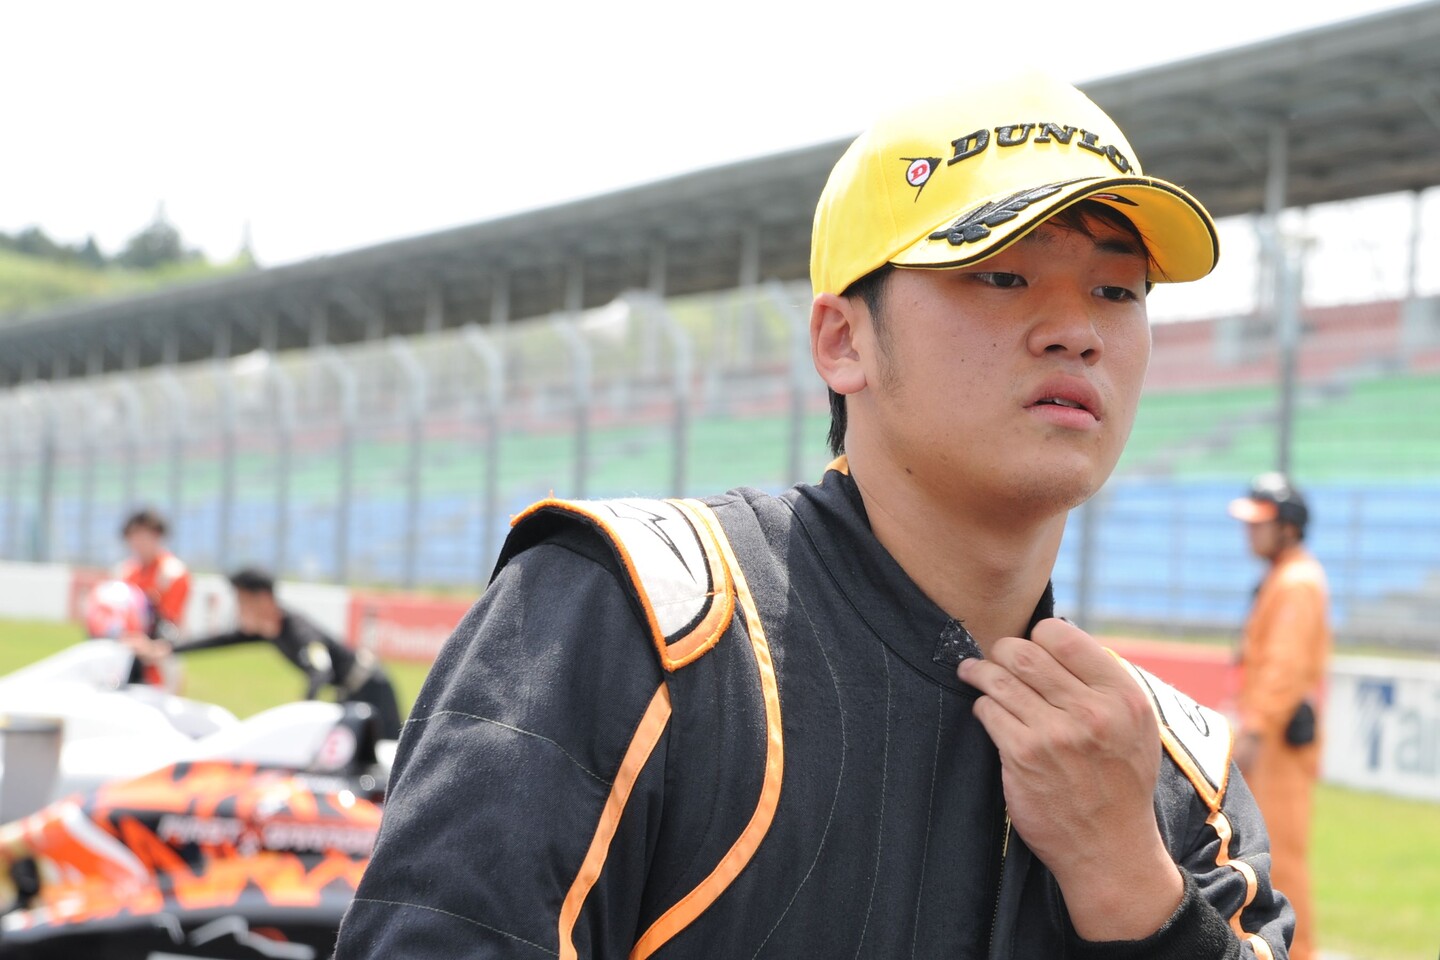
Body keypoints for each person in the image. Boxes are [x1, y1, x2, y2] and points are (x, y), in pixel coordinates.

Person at [336, 71, 1293, 958]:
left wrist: (1134, 891)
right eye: (1002, 275)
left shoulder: (1183, 778)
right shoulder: (636, 621)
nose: (1077, 331)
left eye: (1117, 290)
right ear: (842, 340)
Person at [1228, 473, 1331, 960]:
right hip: (1270, 734)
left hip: (1276, 744)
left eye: (1260, 523)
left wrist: (1254, 731)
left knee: (1280, 858)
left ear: (1288, 528)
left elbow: (1283, 669)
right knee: (1261, 853)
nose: (1249, 532)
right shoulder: (1285, 577)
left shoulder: (1295, 582)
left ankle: (1299, 951)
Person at [133, 567, 404, 741]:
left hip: (372, 687)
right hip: (349, 690)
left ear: (263, 599)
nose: (238, 610)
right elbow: (220, 640)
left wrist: (303, 713)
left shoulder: (297, 629)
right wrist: (167, 649)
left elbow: (321, 669)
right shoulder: (267, 630)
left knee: (388, 751)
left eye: (242, 602)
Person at [116, 507, 191, 642]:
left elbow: (170, 624)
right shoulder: (127, 573)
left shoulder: (172, 572)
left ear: (157, 536)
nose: (138, 542)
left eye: (144, 536)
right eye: (133, 536)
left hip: (165, 645)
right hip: (130, 642)